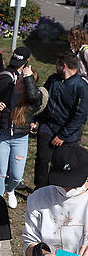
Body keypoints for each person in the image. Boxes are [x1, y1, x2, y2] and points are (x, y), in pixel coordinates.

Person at [0, 59, 41, 208]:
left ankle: (10, 190)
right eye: (20, 79)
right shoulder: (8, 88)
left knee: (17, 175)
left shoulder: (32, 97)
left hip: (20, 139)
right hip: (2, 136)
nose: (18, 83)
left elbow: (35, 99)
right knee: (0, 172)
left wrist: (28, 78)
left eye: (23, 81)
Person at [34, 52, 88, 188]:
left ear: (63, 66)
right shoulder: (53, 79)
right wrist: (35, 119)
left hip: (67, 133)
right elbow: (43, 101)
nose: (55, 67)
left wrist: (63, 135)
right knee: (42, 160)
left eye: (56, 64)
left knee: (62, 163)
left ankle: (56, 189)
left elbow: (80, 115)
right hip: (47, 126)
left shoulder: (81, 86)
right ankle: (39, 189)